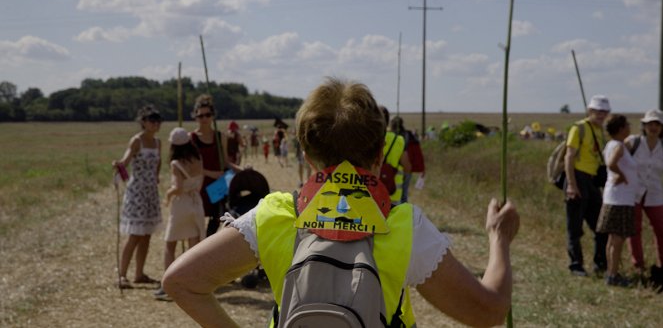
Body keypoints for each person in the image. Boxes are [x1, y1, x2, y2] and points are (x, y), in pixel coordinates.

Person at [162, 78, 519, 327]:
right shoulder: (404, 226)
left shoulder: (276, 215)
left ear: (306, 154)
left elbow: (181, 282)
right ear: (380, 155)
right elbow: (488, 312)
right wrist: (498, 239)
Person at [111, 105, 163, 289]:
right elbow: (126, 160)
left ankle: (139, 273)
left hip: (151, 192)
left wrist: (156, 177)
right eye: (151, 120)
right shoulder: (136, 141)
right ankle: (122, 274)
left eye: (158, 121)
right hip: (137, 192)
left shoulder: (158, 142)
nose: (155, 124)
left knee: (147, 234)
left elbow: (159, 163)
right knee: (134, 235)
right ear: (143, 122)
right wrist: (119, 165)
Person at [154, 127, 206, 300]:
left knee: (170, 245)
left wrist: (168, 195)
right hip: (196, 202)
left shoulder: (176, 163)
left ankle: (169, 286)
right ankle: (194, 282)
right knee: (193, 245)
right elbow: (200, 181)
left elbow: (177, 187)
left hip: (181, 204)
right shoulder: (198, 158)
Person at [564, 94, 610, 276]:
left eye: (604, 112)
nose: (601, 115)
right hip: (577, 177)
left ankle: (600, 263)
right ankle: (576, 265)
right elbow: (569, 157)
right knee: (574, 227)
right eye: (597, 111)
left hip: (592, 180)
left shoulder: (600, 131)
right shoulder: (579, 128)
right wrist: (571, 185)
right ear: (589, 111)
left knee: (600, 225)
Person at [190, 95, 241, 237]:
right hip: (199, 184)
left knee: (216, 217)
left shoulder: (220, 136)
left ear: (212, 116)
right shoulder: (191, 138)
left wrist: (240, 170)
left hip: (217, 185)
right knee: (196, 220)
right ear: (195, 117)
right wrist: (210, 173)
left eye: (208, 115)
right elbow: (190, 166)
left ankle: (206, 245)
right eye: (200, 116)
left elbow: (225, 161)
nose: (204, 119)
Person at [597, 114, 637, 287]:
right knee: (618, 238)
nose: (629, 126)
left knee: (613, 239)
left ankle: (611, 272)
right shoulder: (619, 146)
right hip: (620, 199)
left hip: (616, 197)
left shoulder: (613, 145)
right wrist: (622, 176)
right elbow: (612, 164)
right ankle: (613, 274)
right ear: (621, 128)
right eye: (627, 124)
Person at [626, 109, 663, 288]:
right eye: (650, 124)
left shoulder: (662, 146)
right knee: (634, 229)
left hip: (655, 192)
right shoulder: (634, 142)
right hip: (633, 191)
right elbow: (615, 155)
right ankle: (638, 266)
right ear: (644, 126)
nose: (653, 127)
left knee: (661, 228)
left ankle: (661, 266)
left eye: (657, 124)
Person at [381, 107, 411, 205]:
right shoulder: (398, 140)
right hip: (392, 192)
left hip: (371, 193)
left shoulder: (368, 139)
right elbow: (407, 167)